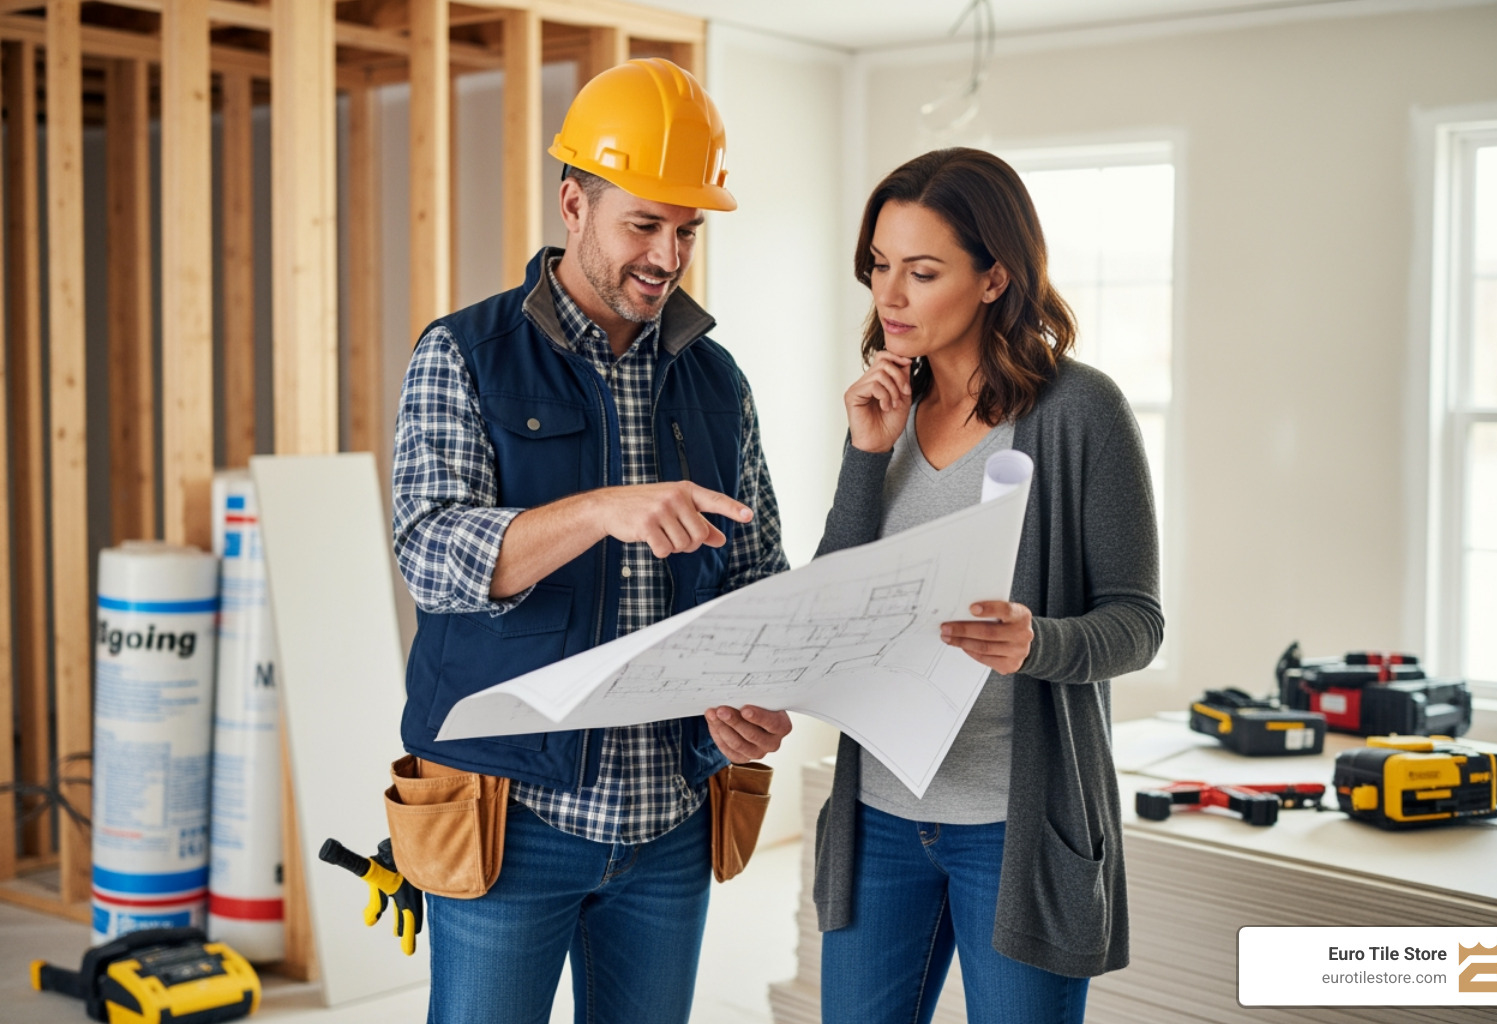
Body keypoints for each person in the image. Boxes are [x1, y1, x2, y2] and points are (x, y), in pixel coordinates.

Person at [391, 58, 792, 1024]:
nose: (667, 254)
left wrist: (761, 693)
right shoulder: (465, 354)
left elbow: (758, 579)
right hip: (510, 816)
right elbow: (431, 555)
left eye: (686, 230)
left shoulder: (716, 381)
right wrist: (601, 509)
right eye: (643, 224)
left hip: (669, 824)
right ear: (574, 205)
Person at [813, 148, 1164, 1024]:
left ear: (994, 278)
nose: (889, 296)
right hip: (880, 816)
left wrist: (1037, 642)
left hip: (1016, 829)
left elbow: (1138, 622)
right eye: (879, 268)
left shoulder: (1080, 413)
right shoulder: (882, 411)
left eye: (922, 272)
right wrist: (865, 455)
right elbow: (832, 605)